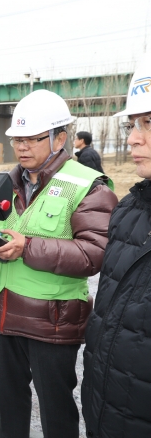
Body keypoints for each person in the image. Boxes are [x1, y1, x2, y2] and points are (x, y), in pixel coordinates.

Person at [0, 90, 117, 438]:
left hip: (53, 322)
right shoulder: (6, 181)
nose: (21, 147)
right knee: (11, 402)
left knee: (56, 408)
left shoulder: (88, 186)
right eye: (16, 139)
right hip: (6, 313)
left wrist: (28, 247)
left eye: (31, 139)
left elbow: (93, 254)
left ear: (59, 138)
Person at [82, 57, 151, 438]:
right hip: (104, 411)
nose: (133, 138)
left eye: (150, 123)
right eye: (132, 124)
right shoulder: (128, 210)